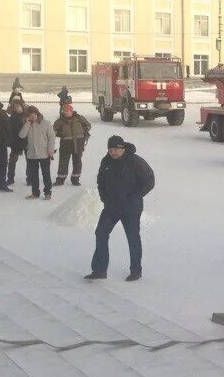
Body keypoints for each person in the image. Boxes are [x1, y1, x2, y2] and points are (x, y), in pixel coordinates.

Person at [85, 136, 155, 282]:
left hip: (131, 208)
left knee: (133, 238)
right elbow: (100, 181)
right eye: (111, 150)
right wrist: (104, 198)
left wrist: (135, 197)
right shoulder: (106, 162)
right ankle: (99, 270)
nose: (113, 153)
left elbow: (149, 180)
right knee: (101, 233)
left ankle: (136, 271)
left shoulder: (135, 161)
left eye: (116, 149)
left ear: (123, 148)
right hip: (111, 207)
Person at [19, 106, 55, 200]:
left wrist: (50, 150)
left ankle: (48, 193)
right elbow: (22, 135)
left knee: (46, 174)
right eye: (30, 115)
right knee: (34, 175)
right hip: (32, 154)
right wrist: (26, 124)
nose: (32, 117)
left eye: (33, 114)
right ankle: (35, 193)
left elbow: (51, 137)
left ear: (37, 114)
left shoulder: (46, 123)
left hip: (44, 153)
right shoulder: (27, 124)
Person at [53, 104, 91, 186]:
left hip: (78, 144)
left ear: (71, 111)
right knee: (63, 162)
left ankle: (75, 179)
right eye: (64, 111)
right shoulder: (60, 121)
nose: (65, 112)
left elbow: (88, 125)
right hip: (65, 145)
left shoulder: (80, 118)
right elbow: (53, 130)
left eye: (67, 111)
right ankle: (60, 179)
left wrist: (85, 131)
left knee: (77, 162)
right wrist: (59, 133)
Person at [7, 100, 27, 187]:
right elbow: (9, 130)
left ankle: (30, 178)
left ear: (22, 106)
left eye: (18, 106)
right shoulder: (12, 117)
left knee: (30, 161)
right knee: (12, 162)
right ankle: (10, 178)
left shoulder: (27, 116)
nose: (16, 108)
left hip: (27, 142)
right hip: (15, 143)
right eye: (15, 107)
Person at [0, 99, 11, 191]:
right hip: (1, 142)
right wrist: (8, 140)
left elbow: (8, 127)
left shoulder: (2, 113)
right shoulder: (2, 113)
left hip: (0, 142)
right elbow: (8, 127)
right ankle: (1, 184)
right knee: (2, 163)